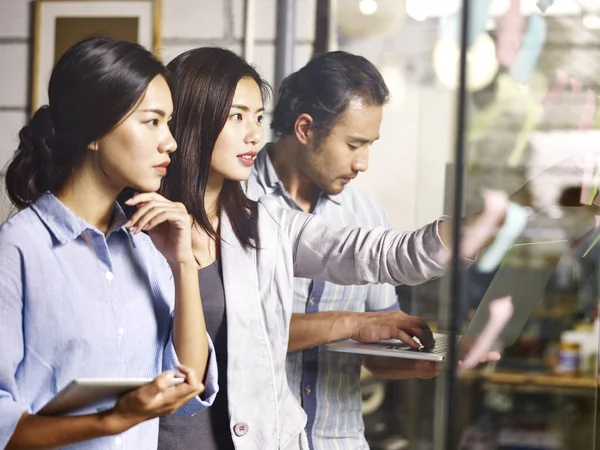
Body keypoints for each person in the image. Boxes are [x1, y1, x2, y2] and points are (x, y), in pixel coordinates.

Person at [158, 47, 464, 450]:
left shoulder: (268, 221)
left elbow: (385, 256)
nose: (254, 133)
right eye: (237, 116)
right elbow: (216, 349)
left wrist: (433, 359)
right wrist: (350, 323)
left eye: (258, 117)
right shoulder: (165, 222)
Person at [0, 37, 218, 450]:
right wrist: (113, 419)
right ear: (94, 132)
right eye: (152, 121)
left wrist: (183, 264)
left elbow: (187, 384)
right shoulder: (18, 249)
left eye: (168, 123)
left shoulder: (145, 246)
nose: (169, 141)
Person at [244, 50, 446, 449]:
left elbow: (376, 353)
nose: (364, 162)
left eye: (370, 144)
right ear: (305, 128)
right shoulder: (237, 201)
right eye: (354, 144)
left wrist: (426, 361)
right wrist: (350, 322)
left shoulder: (367, 215)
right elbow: (235, 333)